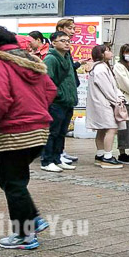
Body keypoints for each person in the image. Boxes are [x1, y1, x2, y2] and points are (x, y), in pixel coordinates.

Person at [0, 26, 56, 250]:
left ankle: (25, 234)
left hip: (14, 132)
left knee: (12, 182)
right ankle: (32, 218)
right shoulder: (30, 62)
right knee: (9, 179)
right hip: (39, 129)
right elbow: (51, 90)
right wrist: (36, 110)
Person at [40, 31, 78, 173]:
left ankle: (57, 158)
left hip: (68, 102)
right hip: (57, 102)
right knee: (52, 132)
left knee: (62, 132)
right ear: (53, 43)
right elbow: (46, 82)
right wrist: (59, 95)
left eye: (68, 40)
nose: (67, 43)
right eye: (62, 40)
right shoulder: (51, 59)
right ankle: (47, 160)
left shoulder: (67, 57)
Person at [85, 45, 125, 169]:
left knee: (102, 129)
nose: (110, 52)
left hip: (100, 102)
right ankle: (107, 157)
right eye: (107, 50)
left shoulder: (99, 67)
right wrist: (117, 100)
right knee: (111, 128)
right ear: (101, 54)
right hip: (103, 103)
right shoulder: (101, 68)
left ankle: (100, 154)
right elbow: (107, 88)